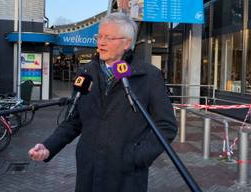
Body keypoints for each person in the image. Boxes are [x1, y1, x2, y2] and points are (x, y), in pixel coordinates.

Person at [28, 12, 177, 192]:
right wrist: (48, 146)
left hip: (126, 177)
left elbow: (166, 125)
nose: (101, 42)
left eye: (109, 37)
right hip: (88, 172)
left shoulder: (149, 76)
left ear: (127, 43)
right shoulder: (86, 73)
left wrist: (137, 157)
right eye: (99, 36)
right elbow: (73, 121)